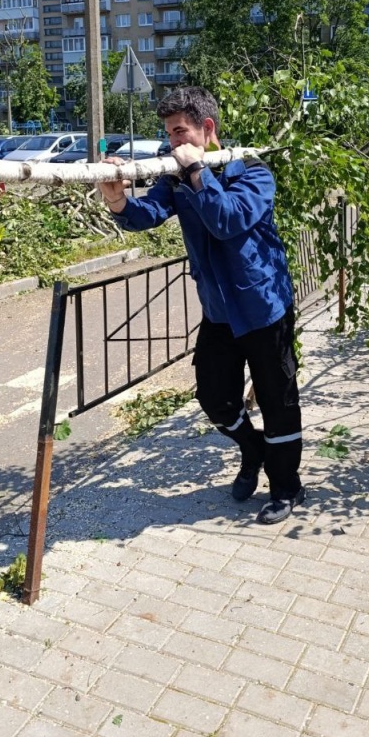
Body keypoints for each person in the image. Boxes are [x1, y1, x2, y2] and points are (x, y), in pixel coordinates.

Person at [98, 86, 304, 525]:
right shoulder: (174, 179)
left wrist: (198, 175)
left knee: (278, 400)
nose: (173, 143)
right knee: (214, 397)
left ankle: (287, 487)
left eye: (180, 132)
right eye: (169, 134)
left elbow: (227, 219)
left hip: (264, 306)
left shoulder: (252, 171)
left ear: (206, 129)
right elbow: (145, 215)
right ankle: (254, 451)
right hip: (219, 312)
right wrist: (116, 197)